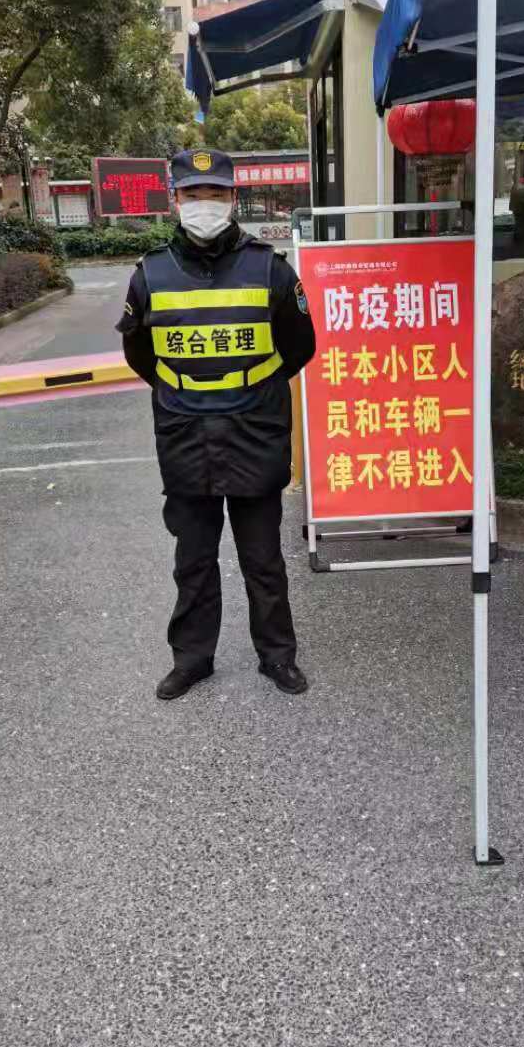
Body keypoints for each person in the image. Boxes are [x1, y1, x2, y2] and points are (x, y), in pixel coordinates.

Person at [118, 147, 316, 701]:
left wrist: (250, 387)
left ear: (232, 198)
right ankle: (192, 659)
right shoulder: (150, 273)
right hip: (185, 435)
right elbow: (140, 354)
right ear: (175, 200)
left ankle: (277, 657)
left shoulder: (271, 269)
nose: (203, 203)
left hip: (254, 431)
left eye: (215, 193)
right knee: (194, 560)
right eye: (193, 193)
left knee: (263, 559)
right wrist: (187, 390)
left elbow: (300, 346)